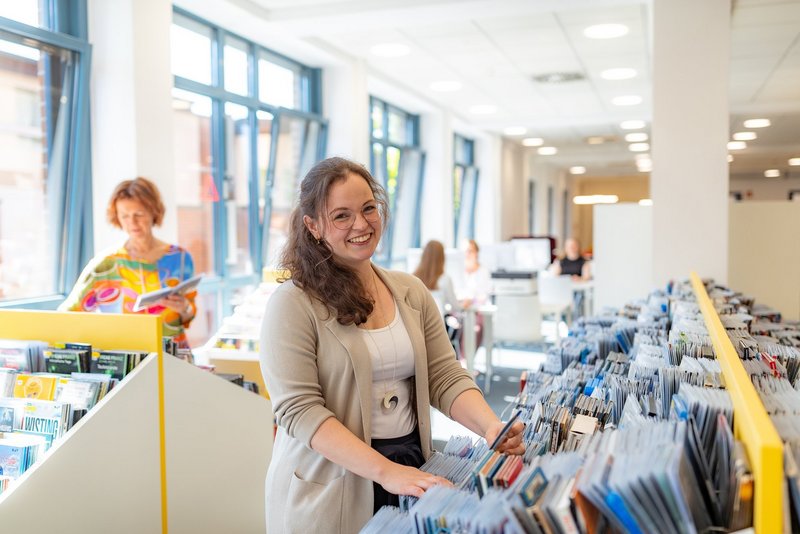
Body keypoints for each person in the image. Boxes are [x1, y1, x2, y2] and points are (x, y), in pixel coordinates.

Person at [259, 157, 524, 534]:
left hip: (410, 467)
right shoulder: (292, 303)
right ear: (313, 226)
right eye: (341, 216)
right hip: (334, 480)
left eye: (369, 209)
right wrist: (386, 472)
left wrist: (490, 426)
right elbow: (299, 411)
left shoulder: (409, 291)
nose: (361, 224)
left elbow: (443, 375)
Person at [59, 177, 197, 348]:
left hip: (175, 355)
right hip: (127, 359)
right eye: (124, 216)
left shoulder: (180, 258)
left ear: (154, 211)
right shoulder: (106, 265)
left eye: (138, 214)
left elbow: (189, 316)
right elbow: (68, 315)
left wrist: (184, 308)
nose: (132, 222)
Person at [412, 240, 460, 317]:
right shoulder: (445, 279)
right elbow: (455, 307)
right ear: (442, 257)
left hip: (417, 324)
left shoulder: (413, 278)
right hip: (437, 324)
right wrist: (463, 305)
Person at [460, 239, 492, 308]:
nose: (467, 254)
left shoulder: (483, 271)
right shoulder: (461, 270)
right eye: (466, 251)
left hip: (478, 309)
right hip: (461, 307)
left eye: (470, 251)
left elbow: (485, 294)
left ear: (476, 253)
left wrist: (472, 300)